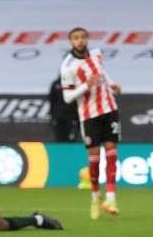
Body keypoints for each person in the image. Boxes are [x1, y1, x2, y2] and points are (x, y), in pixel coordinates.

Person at [61, 27, 122, 219]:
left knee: (111, 154)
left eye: (82, 37)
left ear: (87, 39)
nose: (79, 41)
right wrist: (86, 86)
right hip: (89, 116)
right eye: (75, 38)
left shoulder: (96, 54)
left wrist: (112, 84)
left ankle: (111, 198)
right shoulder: (68, 66)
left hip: (109, 109)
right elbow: (67, 97)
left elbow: (102, 73)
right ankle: (95, 196)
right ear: (71, 41)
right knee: (94, 160)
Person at [49, 76, 79, 142]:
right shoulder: (56, 84)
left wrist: (77, 116)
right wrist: (53, 115)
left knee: (71, 138)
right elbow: (52, 100)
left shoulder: (76, 84)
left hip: (72, 116)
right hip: (58, 116)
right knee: (59, 137)